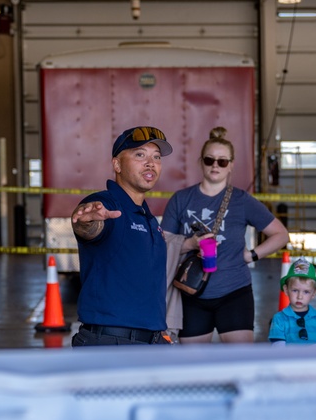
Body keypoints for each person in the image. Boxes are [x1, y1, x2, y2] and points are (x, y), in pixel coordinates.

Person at [163, 127, 289, 344]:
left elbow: (280, 235)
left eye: (222, 161)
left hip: (234, 292)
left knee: (240, 364)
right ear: (200, 162)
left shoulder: (242, 200)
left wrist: (251, 255)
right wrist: (190, 244)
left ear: (231, 165)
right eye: (209, 159)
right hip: (191, 292)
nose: (215, 165)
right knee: (194, 370)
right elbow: (162, 243)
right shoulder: (180, 199)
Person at [71, 126, 174, 346]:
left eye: (156, 157)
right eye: (140, 155)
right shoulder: (107, 205)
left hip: (150, 342)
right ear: (117, 164)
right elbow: (89, 226)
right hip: (110, 343)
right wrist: (87, 220)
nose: (151, 163)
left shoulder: (148, 217)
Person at [269, 259, 316, 346]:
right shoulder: (279, 319)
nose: (300, 296)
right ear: (286, 290)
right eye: (295, 290)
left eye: (306, 292)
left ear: (314, 293)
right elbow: (278, 348)